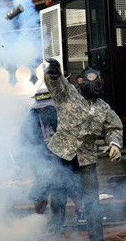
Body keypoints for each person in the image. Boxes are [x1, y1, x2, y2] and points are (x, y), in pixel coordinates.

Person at [43, 58, 123, 241]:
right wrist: (53, 72)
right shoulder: (68, 95)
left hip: (86, 159)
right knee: (57, 200)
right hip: (62, 156)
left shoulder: (103, 108)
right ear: (80, 80)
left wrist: (114, 143)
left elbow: (114, 128)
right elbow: (56, 85)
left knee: (92, 206)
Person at [20, 89, 86, 223]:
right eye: (41, 108)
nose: (44, 110)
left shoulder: (62, 115)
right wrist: (20, 164)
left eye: (47, 107)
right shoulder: (30, 120)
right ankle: (37, 220)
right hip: (42, 161)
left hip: (64, 159)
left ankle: (80, 212)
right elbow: (25, 142)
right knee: (40, 192)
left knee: (72, 185)